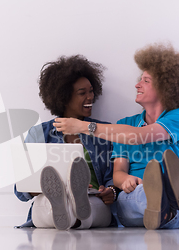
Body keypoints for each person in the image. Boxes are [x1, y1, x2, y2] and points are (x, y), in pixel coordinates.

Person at [53, 43, 179, 230]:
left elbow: (139, 136)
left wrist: (82, 126)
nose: (137, 85)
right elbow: (118, 173)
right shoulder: (126, 123)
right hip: (137, 197)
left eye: (146, 80)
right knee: (133, 198)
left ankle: (168, 199)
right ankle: (164, 202)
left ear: (165, 86)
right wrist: (126, 180)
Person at [14, 55, 116, 230]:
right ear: (63, 97)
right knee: (49, 204)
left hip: (93, 199)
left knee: (89, 207)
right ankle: (67, 206)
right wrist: (44, 187)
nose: (90, 97)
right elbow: (21, 191)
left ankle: (74, 206)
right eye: (82, 93)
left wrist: (111, 192)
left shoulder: (102, 131)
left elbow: (112, 179)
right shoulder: (39, 133)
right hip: (49, 199)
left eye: (91, 91)